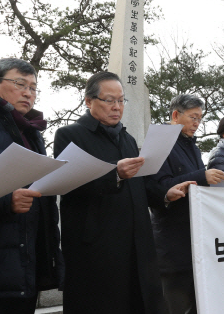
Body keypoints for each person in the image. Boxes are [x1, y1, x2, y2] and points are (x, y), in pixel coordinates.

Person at [54, 72, 194, 314]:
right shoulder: (70, 135)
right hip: (97, 245)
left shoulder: (127, 138)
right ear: (89, 101)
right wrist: (114, 174)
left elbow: (139, 185)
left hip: (136, 242)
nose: (117, 107)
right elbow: (69, 184)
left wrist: (164, 194)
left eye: (121, 100)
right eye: (109, 100)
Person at [0, 58, 63, 313]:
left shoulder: (32, 131)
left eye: (33, 87)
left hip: (23, 268)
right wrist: (6, 200)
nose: (28, 93)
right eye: (20, 84)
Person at [150, 94, 224, 314]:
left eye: (200, 118)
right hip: (172, 245)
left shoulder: (191, 145)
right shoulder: (160, 142)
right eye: (193, 117)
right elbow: (158, 186)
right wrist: (202, 177)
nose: (197, 123)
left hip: (195, 242)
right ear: (175, 115)